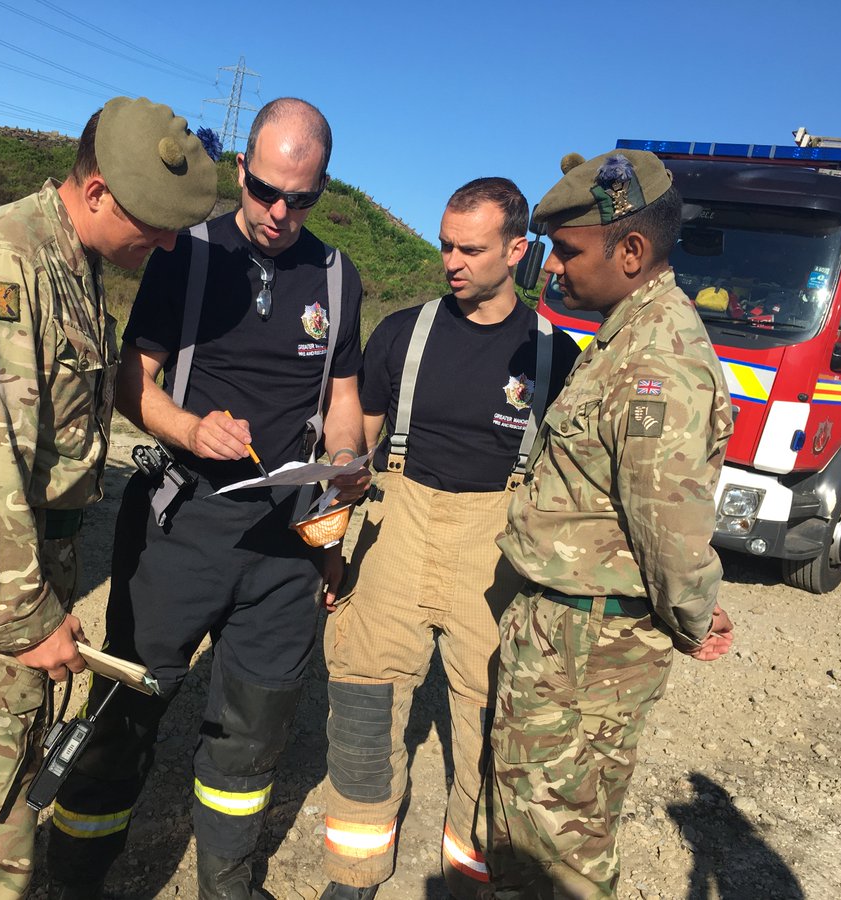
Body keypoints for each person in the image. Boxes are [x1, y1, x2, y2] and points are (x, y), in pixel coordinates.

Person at [0, 97, 218, 900]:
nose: (164, 242)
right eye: (154, 223)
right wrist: (24, 616)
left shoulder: (68, 262)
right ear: (96, 192)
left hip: (15, 568)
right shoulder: (0, 265)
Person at [46, 97, 368, 900]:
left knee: (251, 738)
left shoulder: (337, 278)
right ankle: (76, 882)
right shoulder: (185, 252)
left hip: (285, 546)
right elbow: (131, 380)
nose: (280, 213)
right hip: (180, 526)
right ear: (240, 172)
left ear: (323, 187)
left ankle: (226, 884)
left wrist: (335, 509)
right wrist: (190, 431)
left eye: (302, 198)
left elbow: (343, 412)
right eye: (265, 191)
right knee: (125, 714)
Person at [484, 150, 736, 900]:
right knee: (530, 835)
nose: (555, 268)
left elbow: (670, 526)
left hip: (588, 646)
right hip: (564, 634)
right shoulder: (626, 337)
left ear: (630, 252)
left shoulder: (658, 358)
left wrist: (694, 616)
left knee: (562, 853)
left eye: (568, 252)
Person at [318, 178, 578, 900]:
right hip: (396, 528)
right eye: (445, 246)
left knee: (491, 727)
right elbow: (358, 451)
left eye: (471, 248)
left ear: (517, 250)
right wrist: (334, 545)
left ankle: (469, 879)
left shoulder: (556, 358)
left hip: (495, 549)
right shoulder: (402, 333)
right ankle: (355, 875)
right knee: (365, 707)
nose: (451, 261)